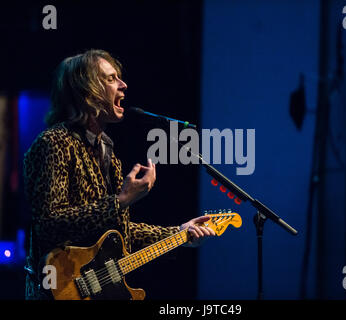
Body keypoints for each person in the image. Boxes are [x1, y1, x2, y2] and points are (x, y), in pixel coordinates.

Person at [23, 49, 215, 300]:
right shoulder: (54, 142)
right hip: (57, 288)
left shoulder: (107, 150)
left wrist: (179, 234)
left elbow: (117, 232)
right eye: (111, 78)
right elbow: (49, 224)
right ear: (87, 91)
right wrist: (121, 201)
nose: (123, 85)